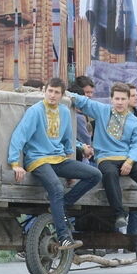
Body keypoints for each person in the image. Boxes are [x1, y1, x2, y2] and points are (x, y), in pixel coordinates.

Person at [9, 78, 102, 250]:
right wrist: (15, 163)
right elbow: (19, 136)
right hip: (38, 159)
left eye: (56, 92)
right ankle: (64, 237)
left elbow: (68, 141)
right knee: (56, 189)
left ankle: (62, 205)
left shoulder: (65, 112)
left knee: (95, 175)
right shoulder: (35, 111)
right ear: (44, 90)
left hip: (59, 159)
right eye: (50, 91)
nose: (52, 95)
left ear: (61, 95)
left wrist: (70, 172)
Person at [69, 82, 137, 229]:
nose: (120, 102)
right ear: (111, 99)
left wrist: (130, 161)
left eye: (123, 99)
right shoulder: (102, 111)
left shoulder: (135, 122)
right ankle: (119, 214)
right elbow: (83, 101)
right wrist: (65, 93)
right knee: (109, 173)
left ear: (128, 100)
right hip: (106, 156)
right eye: (117, 99)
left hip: (128, 157)